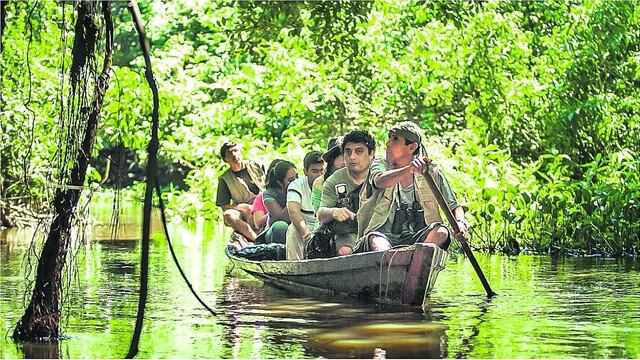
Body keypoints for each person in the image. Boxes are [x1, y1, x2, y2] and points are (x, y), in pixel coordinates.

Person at [357, 121, 469, 252]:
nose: (388, 143)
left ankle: (416, 262)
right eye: (389, 138)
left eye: (395, 139)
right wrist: (408, 169)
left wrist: (461, 224)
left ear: (411, 147)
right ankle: (394, 263)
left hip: (419, 240)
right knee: (377, 243)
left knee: (441, 232)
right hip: (383, 236)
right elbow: (380, 181)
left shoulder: (431, 172)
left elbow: (454, 207)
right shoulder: (379, 165)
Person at [316, 130, 376, 256]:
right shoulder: (334, 181)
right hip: (348, 232)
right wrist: (333, 212)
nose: (352, 157)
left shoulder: (380, 174)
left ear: (371, 154)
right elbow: (320, 214)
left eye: (359, 151)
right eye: (348, 152)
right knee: (345, 251)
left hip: (378, 228)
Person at [216, 142, 265, 242]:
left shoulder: (257, 166)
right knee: (228, 215)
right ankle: (255, 240)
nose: (234, 155)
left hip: (264, 204)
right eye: (229, 153)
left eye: (236, 151)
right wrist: (243, 207)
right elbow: (224, 206)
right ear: (225, 159)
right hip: (245, 212)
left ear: (240, 152)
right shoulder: (224, 179)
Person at [286, 151, 326, 260]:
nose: (319, 175)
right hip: (306, 226)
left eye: (322, 171)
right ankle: (295, 267)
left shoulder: (331, 183)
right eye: (314, 171)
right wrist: (305, 233)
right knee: (293, 229)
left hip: (325, 226)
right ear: (305, 172)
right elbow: (294, 211)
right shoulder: (296, 185)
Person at [261, 160, 297, 244]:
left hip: (297, 228)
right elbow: (283, 218)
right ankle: (279, 254)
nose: (296, 182)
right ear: (280, 182)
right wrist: (293, 195)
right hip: (276, 232)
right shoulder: (269, 194)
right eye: (291, 180)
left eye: (297, 177)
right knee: (281, 226)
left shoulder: (303, 187)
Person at [311, 136, 345, 211]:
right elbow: (318, 211)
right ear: (332, 158)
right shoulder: (320, 182)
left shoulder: (355, 177)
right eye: (343, 156)